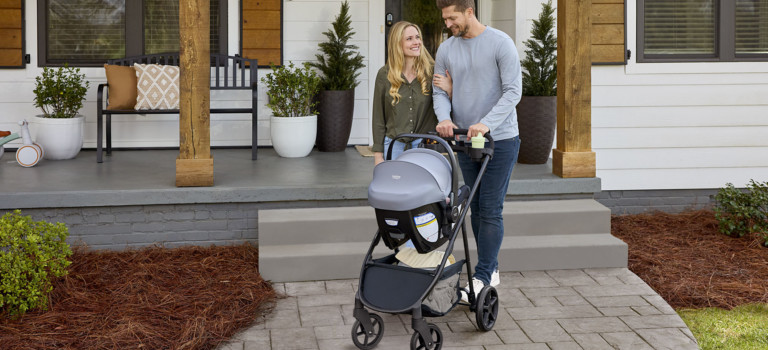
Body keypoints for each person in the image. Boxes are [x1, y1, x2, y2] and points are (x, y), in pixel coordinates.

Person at [432, 0, 522, 301]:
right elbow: (438, 92)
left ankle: (482, 276)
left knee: (491, 209)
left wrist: (486, 123)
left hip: (501, 140)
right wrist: (444, 117)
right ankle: (489, 268)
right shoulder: (447, 49)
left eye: (452, 18)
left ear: (470, 11)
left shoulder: (500, 43)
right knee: (475, 207)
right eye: (445, 19)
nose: (448, 24)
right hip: (465, 140)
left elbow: (513, 91)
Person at [372, 21, 452, 166]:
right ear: (397, 44)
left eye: (417, 37)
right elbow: (378, 119)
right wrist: (378, 156)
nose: (416, 42)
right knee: (395, 187)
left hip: (424, 147)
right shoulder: (384, 75)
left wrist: (450, 89)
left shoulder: (433, 71)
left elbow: (447, 106)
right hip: (393, 146)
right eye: (409, 39)